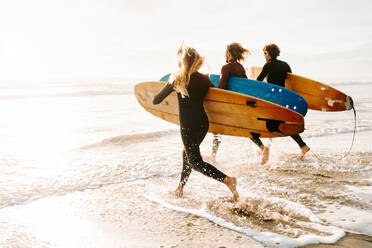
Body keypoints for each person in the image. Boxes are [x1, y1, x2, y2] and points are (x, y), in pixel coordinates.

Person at [152, 44, 239, 202]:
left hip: (188, 125)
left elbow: (156, 100)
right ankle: (180, 187)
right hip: (202, 124)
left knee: (195, 161)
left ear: (182, 61)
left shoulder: (178, 78)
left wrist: (171, 88)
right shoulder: (204, 79)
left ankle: (228, 180)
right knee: (187, 154)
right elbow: (216, 97)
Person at [211, 42, 270, 165]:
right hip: (242, 102)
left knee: (217, 127)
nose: (225, 55)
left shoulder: (226, 67)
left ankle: (213, 155)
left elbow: (221, 87)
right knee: (246, 128)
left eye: (226, 52)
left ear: (229, 53)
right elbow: (245, 85)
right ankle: (262, 148)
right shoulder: (240, 67)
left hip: (231, 103)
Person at [256, 43, 310, 158]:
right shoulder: (285, 65)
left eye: (264, 53)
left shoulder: (268, 65)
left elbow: (258, 81)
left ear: (268, 53)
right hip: (284, 98)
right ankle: (302, 146)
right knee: (282, 122)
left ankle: (263, 148)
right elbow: (290, 81)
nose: (264, 56)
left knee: (269, 124)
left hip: (273, 99)